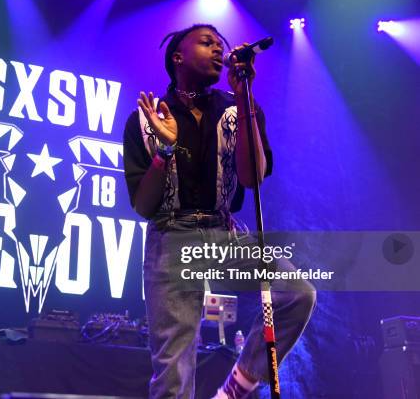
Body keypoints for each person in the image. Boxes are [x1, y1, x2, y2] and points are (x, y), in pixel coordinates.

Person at [122, 24, 316, 399]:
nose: (218, 49)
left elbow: (251, 176)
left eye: (221, 45)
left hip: (224, 233)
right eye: (207, 42)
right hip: (173, 238)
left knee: (296, 292)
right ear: (178, 56)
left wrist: (244, 95)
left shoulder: (236, 107)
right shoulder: (145, 120)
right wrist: (164, 151)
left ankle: (233, 390)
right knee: (173, 373)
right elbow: (145, 206)